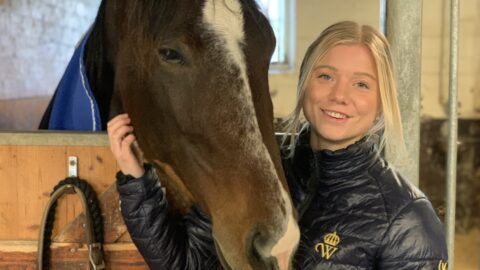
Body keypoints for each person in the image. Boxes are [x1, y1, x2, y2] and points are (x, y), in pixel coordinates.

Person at [108, 21, 448, 269]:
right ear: (304, 84)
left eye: (361, 84)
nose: (339, 96)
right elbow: (186, 263)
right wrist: (138, 183)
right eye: (325, 76)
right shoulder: (257, 167)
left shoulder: (408, 220)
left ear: (381, 102)